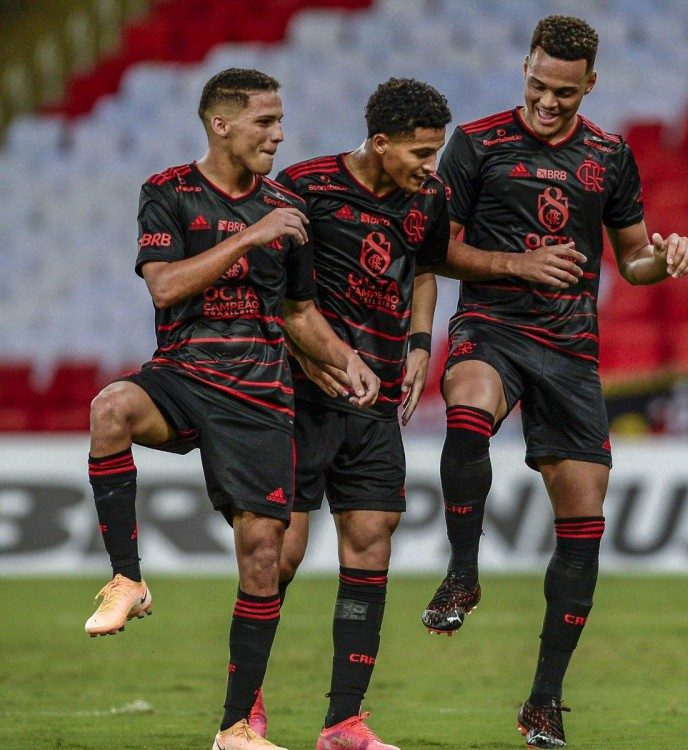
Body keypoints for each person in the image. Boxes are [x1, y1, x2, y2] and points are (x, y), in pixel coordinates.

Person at [424, 15, 688, 748]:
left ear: (591, 85)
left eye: (565, 94)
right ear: (525, 69)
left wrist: (662, 258)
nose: (549, 103)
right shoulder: (478, 144)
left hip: (571, 348)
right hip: (493, 326)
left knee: (583, 524)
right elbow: (438, 247)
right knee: (466, 411)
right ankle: (462, 574)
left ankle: (543, 702)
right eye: (540, 86)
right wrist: (517, 264)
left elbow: (632, 259)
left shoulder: (609, 155)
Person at [85, 68, 379, 750]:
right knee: (110, 410)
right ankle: (126, 578)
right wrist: (249, 237)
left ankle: (235, 728)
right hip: (184, 376)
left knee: (262, 560)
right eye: (264, 123)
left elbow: (299, 313)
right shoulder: (169, 193)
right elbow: (164, 289)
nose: (278, 135)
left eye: (279, 122)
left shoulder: (285, 208)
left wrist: (344, 360)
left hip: (258, 398)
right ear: (221, 125)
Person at [253, 78, 451, 750]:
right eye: (420, 152)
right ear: (380, 141)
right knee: (278, 554)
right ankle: (245, 710)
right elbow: (265, 287)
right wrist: (305, 357)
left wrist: (422, 341)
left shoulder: (429, 197)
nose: (431, 165)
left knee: (372, 538)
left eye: (437, 152)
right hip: (300, 397)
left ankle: (343, 723)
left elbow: (425, 266)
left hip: (378, 396)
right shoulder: (305, 187)